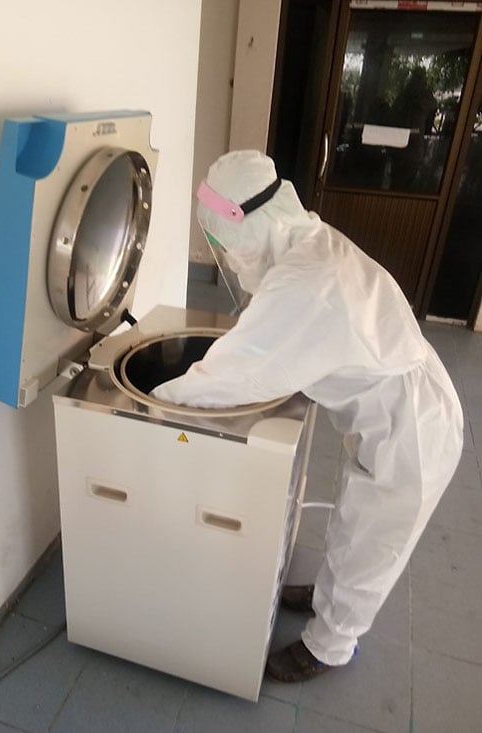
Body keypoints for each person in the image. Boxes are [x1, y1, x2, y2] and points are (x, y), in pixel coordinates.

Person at [151, 150, 463, 683]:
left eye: (227, 243)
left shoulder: (308, 282)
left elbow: (233, 375)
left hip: (413, 427)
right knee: (355, 517)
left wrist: (156, 400)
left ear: (250, 226)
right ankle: (324, 595)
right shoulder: (306, 242)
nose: (228, 258)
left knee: (372, 543)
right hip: (395, 407)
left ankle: (329, 646)